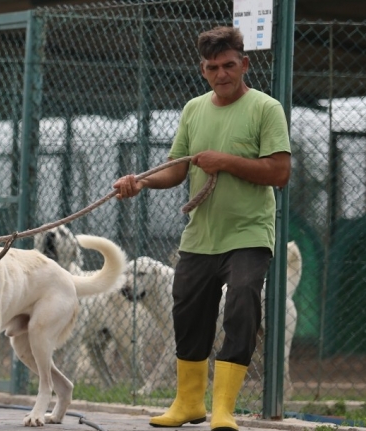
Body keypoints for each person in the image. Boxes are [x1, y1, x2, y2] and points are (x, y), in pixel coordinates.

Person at [113, 26, 291, 430]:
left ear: (244, 64)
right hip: (200, 235)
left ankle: (224, 410)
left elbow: (280, 172)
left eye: (229, 65)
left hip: (249, 232)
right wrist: (139, 182)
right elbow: (177, 169)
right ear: (203, 70)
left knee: (243, 301)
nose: (222, 74)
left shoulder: (266, 108)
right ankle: (189, 404)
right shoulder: (194, 109)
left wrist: (224, 161)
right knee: (189, 312)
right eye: (213, 67)